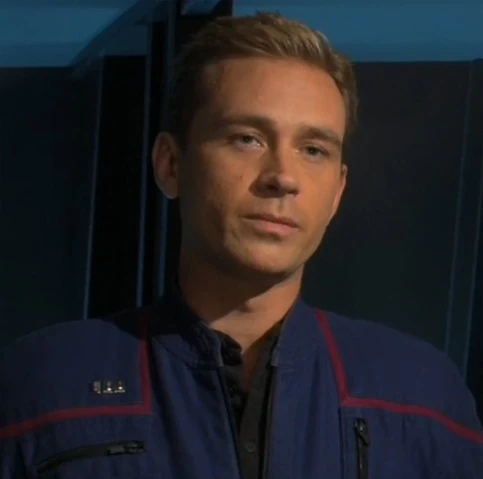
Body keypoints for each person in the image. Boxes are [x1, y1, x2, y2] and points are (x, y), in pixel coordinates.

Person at [1, 11, 482, 479]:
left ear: (337, 192)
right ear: (170, 165)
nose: (283, 177)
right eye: (248, 138)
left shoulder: (423, 397)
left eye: (313, 150)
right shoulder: (44, 384)